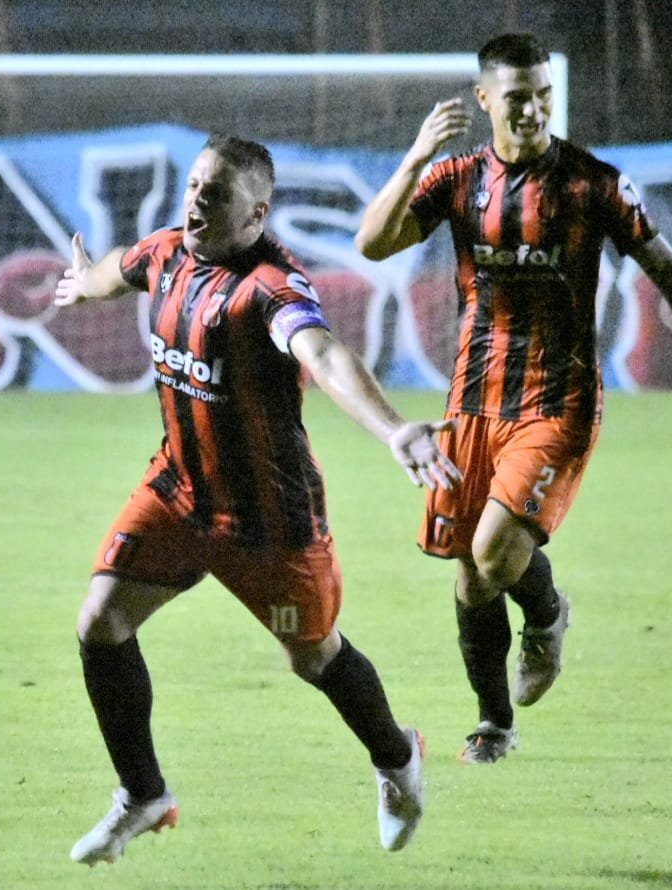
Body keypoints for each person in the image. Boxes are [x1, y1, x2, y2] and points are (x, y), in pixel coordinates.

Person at [354, 33, 672, 764]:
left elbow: (669, 270)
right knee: (471, 573)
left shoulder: (593, 184)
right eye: (517, 98)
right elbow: (372, 243)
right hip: (473, 401)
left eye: (543, 96)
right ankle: (495, 723)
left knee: (494, 551)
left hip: (559, 400)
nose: (533, 110)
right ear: (485, 99)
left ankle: (547, 617)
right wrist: (416, 157)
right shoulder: (457, 179)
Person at [54, 134, 462, 864]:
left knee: (315, 659)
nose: (196, 202)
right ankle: (144, 795)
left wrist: (394, 429)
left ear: (256, 214)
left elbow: (324, 353)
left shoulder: (271, 286)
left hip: (270, 523)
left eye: (215, 195)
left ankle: (398, 758)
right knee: (101, 623)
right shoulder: (170, 253)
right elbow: (123, 267)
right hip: (178, 493)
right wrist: (88, 281)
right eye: (194, 186)